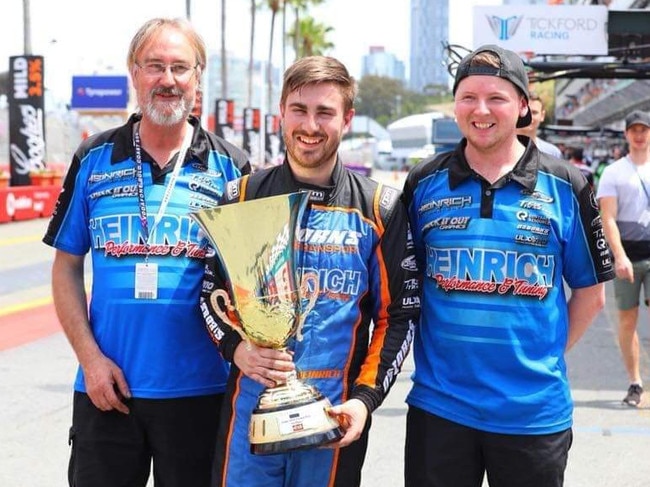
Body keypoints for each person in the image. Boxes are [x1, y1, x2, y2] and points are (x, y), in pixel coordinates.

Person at [42, 17, 250, 487]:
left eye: (180, 67)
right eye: (155, 66)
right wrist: (90, 361)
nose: (168, 80)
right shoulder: (93, 158)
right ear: (134, 73)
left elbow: (250, 281)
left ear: (198, 77)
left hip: (203, 392)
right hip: (106, 390)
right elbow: (67, 265)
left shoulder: (232, 167)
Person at [200, 55, 420, 487]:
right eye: (299, 110)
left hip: (333, 420)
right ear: (282, 112)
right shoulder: (241, 197)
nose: (310, 126)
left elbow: (398, 317)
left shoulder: (379, 208)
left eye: (325, 112)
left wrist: (364, 401)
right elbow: (210, 297)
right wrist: (236, 351)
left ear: (347, 118)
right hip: (250, 418)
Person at [402, 44, 615, 487]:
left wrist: (541, 355)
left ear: (521, 106)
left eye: (497, 98)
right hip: (440, 409)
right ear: (455, 105)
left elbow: (591, 294)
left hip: (533, 415)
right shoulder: (423, 182)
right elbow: (406, 284)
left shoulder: (568, 185)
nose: (481, 110)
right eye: (468, 97)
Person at [596, 109, 650, 407]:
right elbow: (609, 218)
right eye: (634, 130)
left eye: (644, 129)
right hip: (628, 254)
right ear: (627, 134)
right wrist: (619, 256)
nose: (639, 135)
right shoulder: (614, 171)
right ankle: (635, 382)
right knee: (627, 321)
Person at [517, 91, 562, 158]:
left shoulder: (552, 153)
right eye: (524, 111)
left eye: (534, 112)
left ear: (542, 116)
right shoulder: (498, 148)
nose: (528, 116)